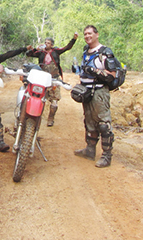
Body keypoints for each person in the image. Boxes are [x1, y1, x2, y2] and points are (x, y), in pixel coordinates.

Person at [73, 26, 117, 168]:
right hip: (86, 92)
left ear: (97, 35)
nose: (87, 36)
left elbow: (112, 75)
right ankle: (89, 150)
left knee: (103, 124)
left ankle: (106, 156)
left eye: (90, 33)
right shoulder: (86, 52)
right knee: (89, 122)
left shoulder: (104, 52)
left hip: (99, 92)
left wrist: (96, 71)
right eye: (85, 34)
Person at [26, 33, 78, 126]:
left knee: (54, 101)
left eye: (48, 43)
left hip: (54, 78)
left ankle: (51, 118)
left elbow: (66, 48)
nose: (46, 44)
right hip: (42, 79)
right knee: (39, 98)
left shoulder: (56, 51)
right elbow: (29, 54)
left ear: (52, 45)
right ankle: (35, 117)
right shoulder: (41, 52)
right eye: (45, 42)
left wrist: (73, 39)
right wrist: (34, 49)